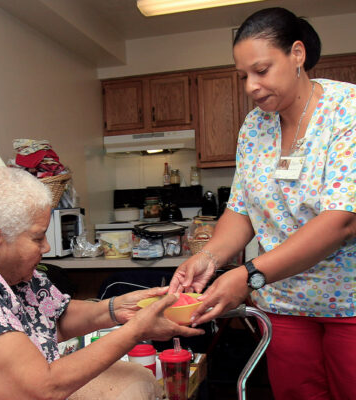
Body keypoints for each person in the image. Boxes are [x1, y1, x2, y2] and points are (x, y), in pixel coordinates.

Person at [169, 7, 356, 400]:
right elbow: (241, 210)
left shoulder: (347, 111)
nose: (251, 86)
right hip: (283, 304)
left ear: (298, 55)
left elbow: (342, 221)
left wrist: (250, 275)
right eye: (243, 76)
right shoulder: (254, 126)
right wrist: (210, 258)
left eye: (262, 70)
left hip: (349, 303)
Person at [0, 166, 204, 400]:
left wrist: (120, 309)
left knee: (136, 376)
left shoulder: (11, 272)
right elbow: (40, 390)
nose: (47, 247)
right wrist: (136, 330)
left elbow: (57, 317)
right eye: (38, 237)